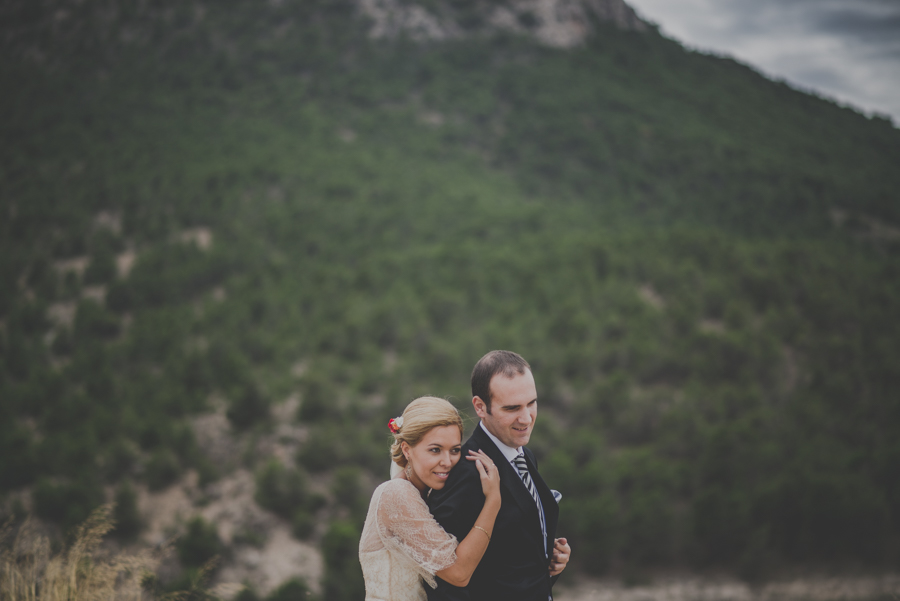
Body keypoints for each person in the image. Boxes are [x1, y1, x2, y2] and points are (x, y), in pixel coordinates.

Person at [426, 350, 571, 601]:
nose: (526, 418)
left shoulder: (525, 455)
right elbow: (446, 580)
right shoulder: (465, 472)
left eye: (532, 403)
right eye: (512, 408)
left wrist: (551, 562)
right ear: (481, 407)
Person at [359, 396, 503, 601]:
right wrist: (493, 501)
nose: (447, 461)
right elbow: (459, 574)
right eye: (435, 450)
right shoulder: (396, 493)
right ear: (407, 450)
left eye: (454, 450)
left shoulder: (427, 495)